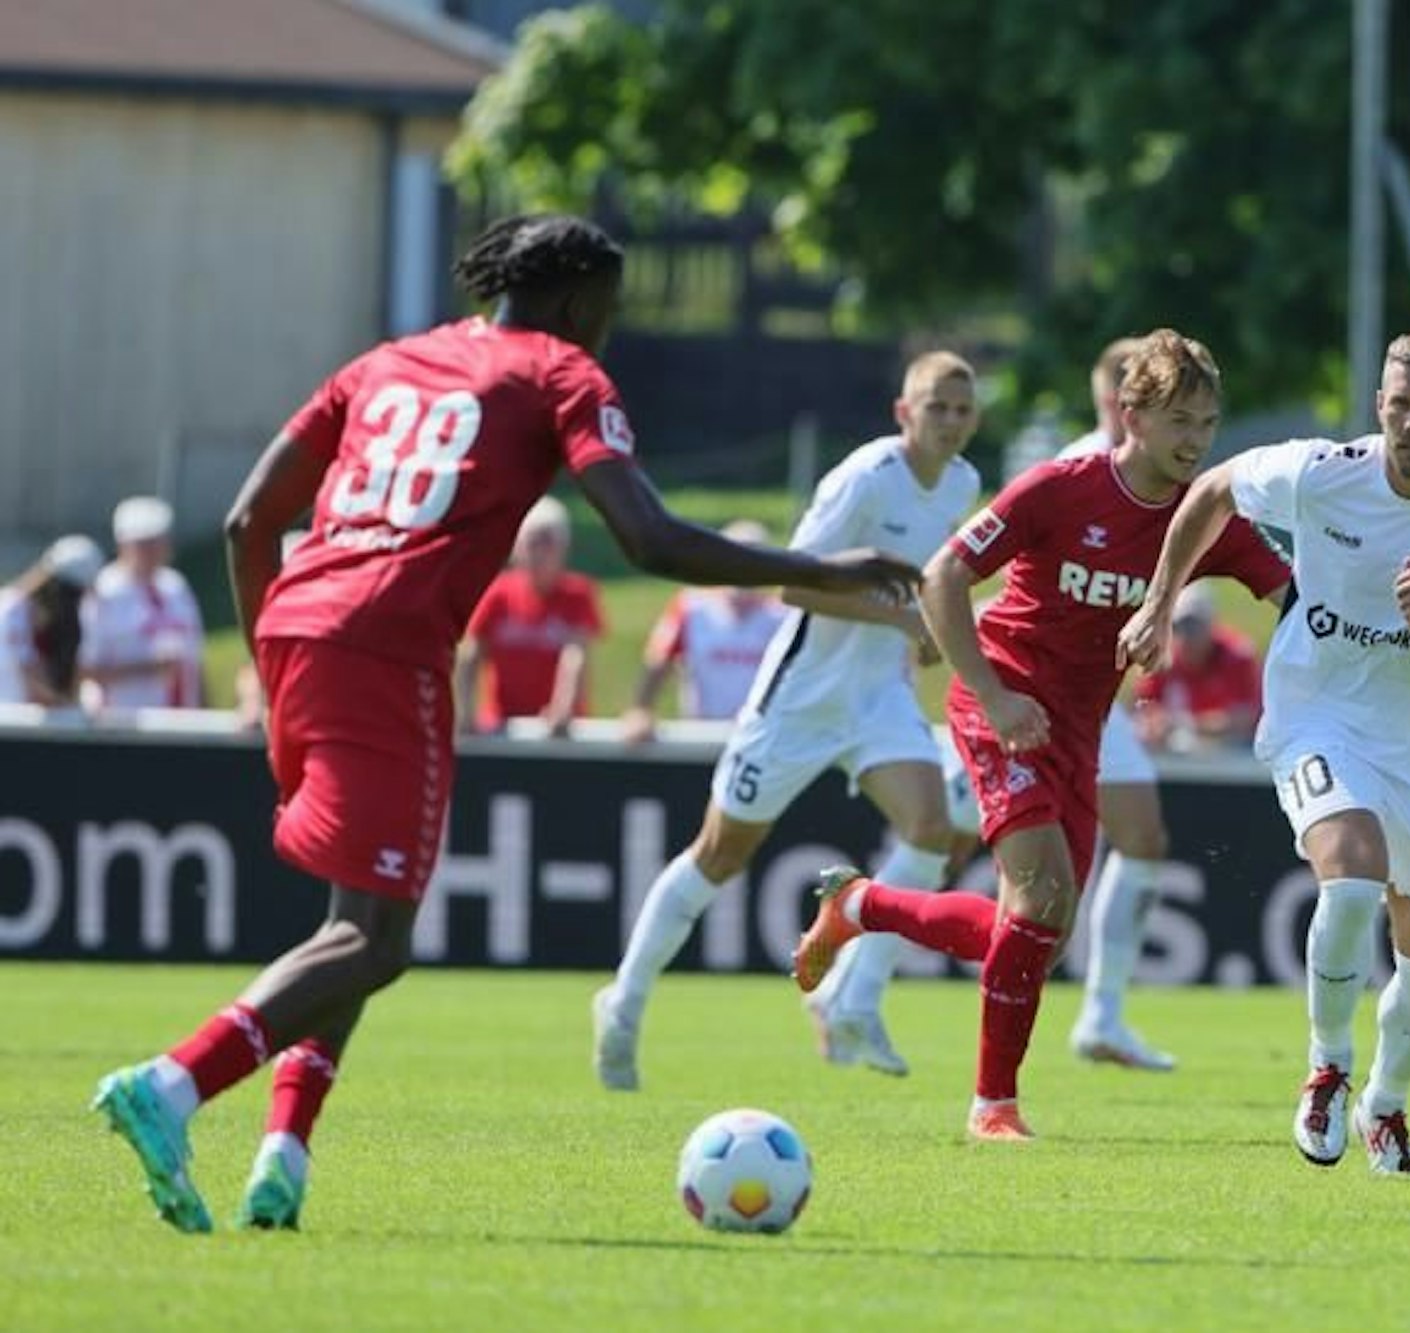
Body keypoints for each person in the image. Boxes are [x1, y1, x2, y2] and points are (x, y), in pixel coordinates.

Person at [89, 213, 920, 1235]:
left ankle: (284, 1152)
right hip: (390, 648)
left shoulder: (384, 361)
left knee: (355, 917)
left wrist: (268, 665)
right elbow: (648, 539)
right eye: (606, 312)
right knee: (376, 937)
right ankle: (172, 1085)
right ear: (575, 300)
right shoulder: (560, 373)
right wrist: (818, 570)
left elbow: (247, 520)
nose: (606, 333)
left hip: (295, 629)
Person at [793, 329, 1294, 1141]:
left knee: (1039, 935)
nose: (1197, 440)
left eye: (1207, 423)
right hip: (1005, 706)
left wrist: (1409, 668)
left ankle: (863, 904)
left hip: (1081, 728)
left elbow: (1295, 596)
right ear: (1129, 414)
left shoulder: (1206, 516)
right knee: (1041, 900)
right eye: (1180, 421)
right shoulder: (1062, 488)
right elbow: (943, 575)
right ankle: (993, 1106)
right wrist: (990, 697)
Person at [1121, 331, 1410, 1176]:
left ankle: (1385, 1104)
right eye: (1398, 401)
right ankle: (1327, 1067)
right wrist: (1161, 603)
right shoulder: (1321, 470)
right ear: (1378, 399)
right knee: (1349, 873)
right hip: (1316, 714)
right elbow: (1209, 490)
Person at [594, 352, 982, 1089]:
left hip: (877, 698)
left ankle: (852, 998)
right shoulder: (864, 478)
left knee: (933, 829)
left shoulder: (962, 482)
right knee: (719, 855)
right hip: (799, 698)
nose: (952, 422)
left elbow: (927, 582)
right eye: (938, 407)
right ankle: (625, 998)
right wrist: (902, 620)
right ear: (904, 412)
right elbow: (792, 585)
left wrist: (930, 625)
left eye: (964, 410)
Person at [622, 519, 788, 734]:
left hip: (759, 737)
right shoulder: (691, 608)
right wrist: (641, 709)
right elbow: (658, 662)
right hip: (701, 734)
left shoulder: (782, 617)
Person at [456, 496, 605, 735]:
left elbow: (575, 655)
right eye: (532, 542)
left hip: (556, 728)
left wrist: (562, 708)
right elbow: (471, 653)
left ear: (563, 548)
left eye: (548, 543)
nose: (539, 553)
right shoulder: (497, 593)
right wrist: (465, 711)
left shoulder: (578, 594)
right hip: (502, 726)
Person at [79, 497, 206, 712]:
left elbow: (196, 661)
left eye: (158, 542)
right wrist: (148, 669)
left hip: (180, 719)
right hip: (122, 722)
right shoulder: (104, 592)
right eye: (144, 544)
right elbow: (84, 669)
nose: (153, 551)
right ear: (123, 545)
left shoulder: (175, 586)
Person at [1133, 583, 1263, 751]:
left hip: (1232, 754)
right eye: (1179, 626)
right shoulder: (1162, 659)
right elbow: (1145, 710)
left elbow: (1247, 717)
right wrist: (1156, 724)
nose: (1187, 636)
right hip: (1175, 756)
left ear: (1211, 625)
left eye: (1194, 626)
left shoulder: (1239, 656)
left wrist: (1185, 725)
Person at [0, 535, 105, 708]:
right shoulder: (12, 610)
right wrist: (71, 710)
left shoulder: (49, 620)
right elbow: (33, 681)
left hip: (25, 726)